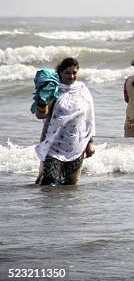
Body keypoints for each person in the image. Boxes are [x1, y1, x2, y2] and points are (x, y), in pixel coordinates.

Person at [35, 57, 95, 186]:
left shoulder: (83, 90)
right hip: (53, 146)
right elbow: (41, 115)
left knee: (70, 186)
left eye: (74, 73)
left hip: (76, 145)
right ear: (60, 73)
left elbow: (89, 119)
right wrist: (41, 102)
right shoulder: (53, 90)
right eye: (67, 73)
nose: (71, 76)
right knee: (49, 185)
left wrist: (90, 143)